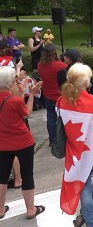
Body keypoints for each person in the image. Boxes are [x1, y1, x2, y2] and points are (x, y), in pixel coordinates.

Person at [58, 63, 93, 227]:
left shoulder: (61, 100)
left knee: (84, 183)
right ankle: (90, 218)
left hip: (74, 150)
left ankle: (87, 215)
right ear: (86, 83)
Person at [0, 66, 45, 220]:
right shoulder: (14, 101)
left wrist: (20, 91)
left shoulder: (10, 99)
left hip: (3, 143)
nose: (16, 81)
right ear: (8, 83)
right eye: (14, 79)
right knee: (27, 176)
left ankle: (0, 209)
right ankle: (31, 209)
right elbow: (27, 112)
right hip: (22, 142)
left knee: (2, 177)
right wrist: (31, 94)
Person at [37, 43, 67, 147]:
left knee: (51, 117)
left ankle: (53, 139)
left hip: (48, 95)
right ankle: (64, 138)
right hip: (60, 96)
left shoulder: (40, 65)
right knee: (64, 118)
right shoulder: (61, 65)